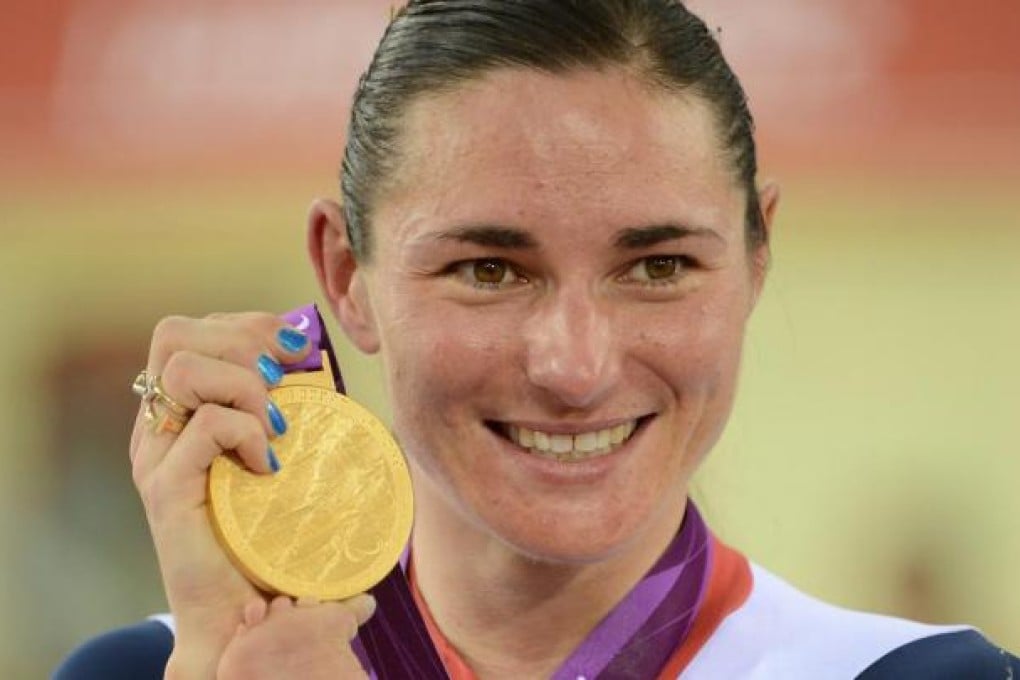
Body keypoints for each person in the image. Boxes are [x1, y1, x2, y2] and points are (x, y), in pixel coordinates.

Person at [55, 1, 1018, 678]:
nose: (575, 367)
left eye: (659, 266)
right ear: (346, 275)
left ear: (757, 259)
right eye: (489, 270)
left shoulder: (917, 678)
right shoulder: (153, 672)